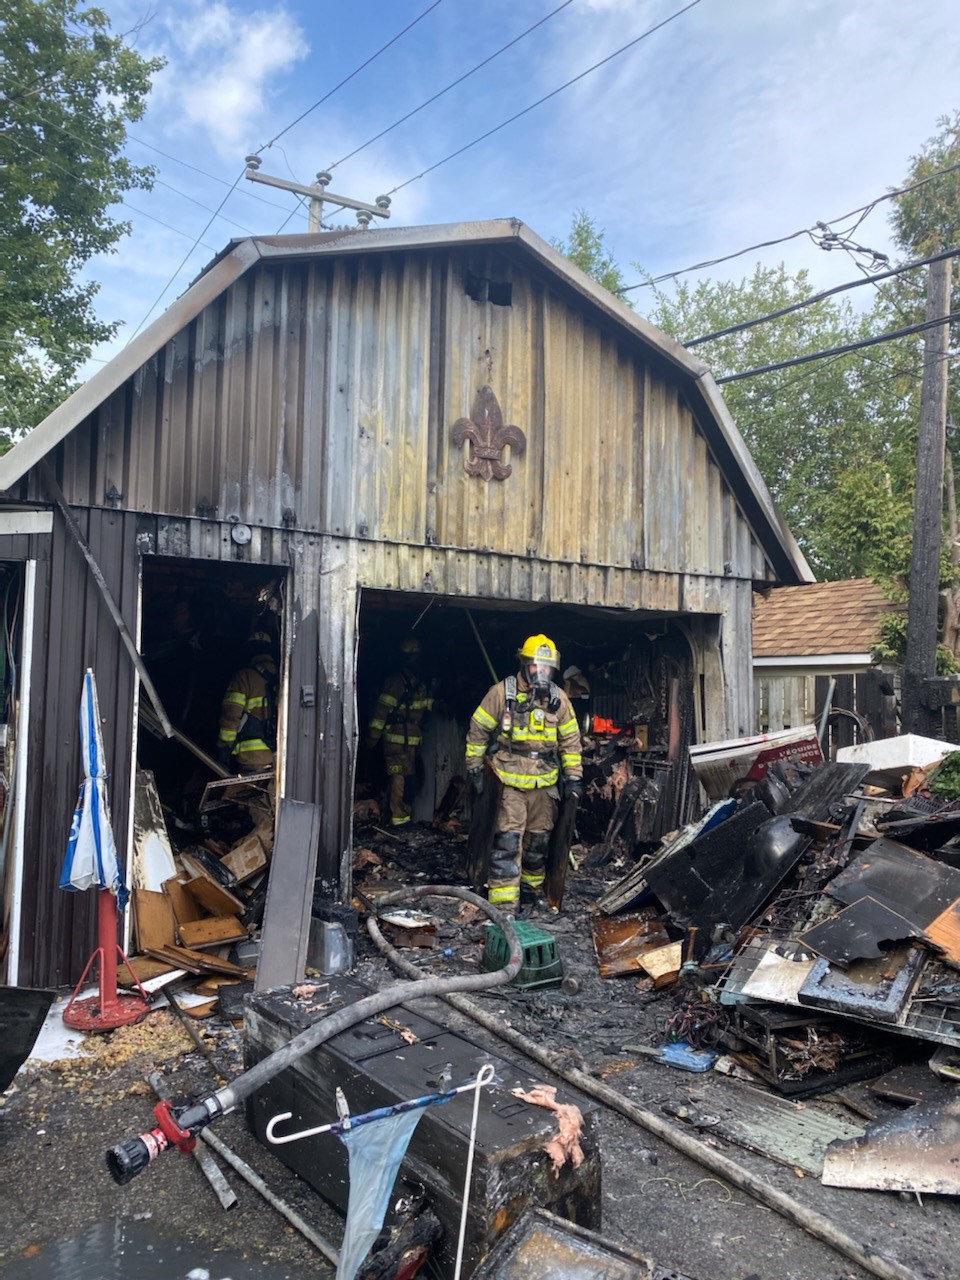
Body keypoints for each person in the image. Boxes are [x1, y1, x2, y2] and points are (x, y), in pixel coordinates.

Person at [465, 634, 583, 913]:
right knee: (507, 843)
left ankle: (530, 894)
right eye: (537, 666)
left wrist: (574, 776)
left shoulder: (559, 700)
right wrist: (474, 768)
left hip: (545, 786)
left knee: (538, 845)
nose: (542, 673)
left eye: (547, 668)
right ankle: (504, 907)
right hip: (509, 783)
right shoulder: (501, 693)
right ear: (525, 664)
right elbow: (478, 730)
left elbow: (571, 742)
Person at [366, 635, 434, 827]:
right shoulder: (396, 681)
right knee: (399, 778)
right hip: (397, 740)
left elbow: (421, 707)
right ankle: (398, 822)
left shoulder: (416, 682)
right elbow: (381, 712)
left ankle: (401, 818)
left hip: (410, 740)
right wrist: (371, 739)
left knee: (406, 780)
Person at [215, 631, 279, 775]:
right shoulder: (283, 677)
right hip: (277, 758)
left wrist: (224, 749)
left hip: (250, 760)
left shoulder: (243, 677)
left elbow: (231, 716)